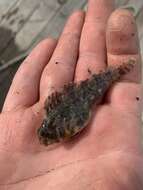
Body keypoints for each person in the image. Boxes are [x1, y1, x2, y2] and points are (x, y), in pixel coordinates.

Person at [0, 0, 142, 189]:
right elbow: (75, 117)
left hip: (84, 93)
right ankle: (118, 70)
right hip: (82, 94)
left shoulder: (59, 120)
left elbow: (76, 118)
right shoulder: (56, 120)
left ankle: (119, 69)